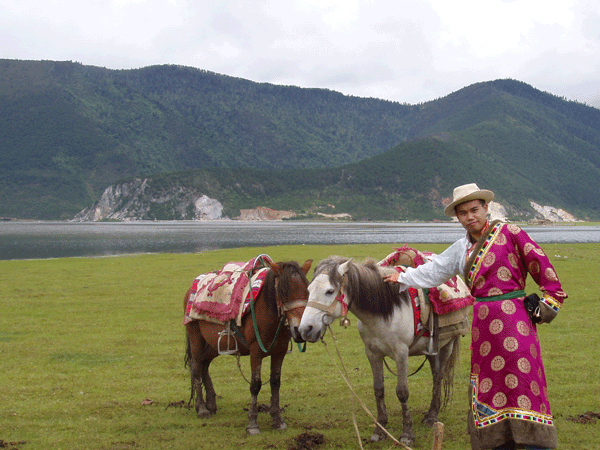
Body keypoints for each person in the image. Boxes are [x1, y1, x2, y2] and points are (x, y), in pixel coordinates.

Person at [383, 183, 567, 450]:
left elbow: (542, 266)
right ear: (457, 218)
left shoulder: (511, 233)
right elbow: (434, 271)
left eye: (474, 210)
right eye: (462, 213)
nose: (470, 217)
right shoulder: (460, 249)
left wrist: (546, 305)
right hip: (484, 327)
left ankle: (535, 444)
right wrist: (402, 276)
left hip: (516, 322)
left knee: (524, 381)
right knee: (489, 386)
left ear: (486, 208)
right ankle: (498, 442)